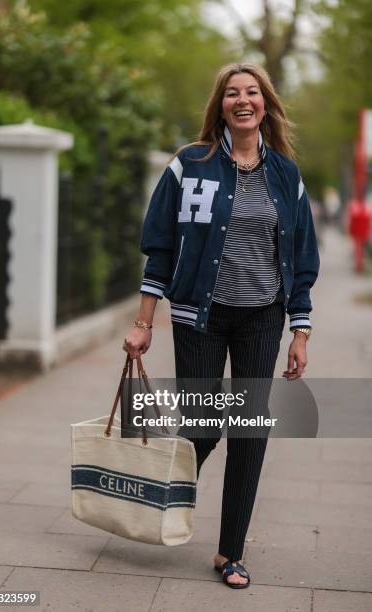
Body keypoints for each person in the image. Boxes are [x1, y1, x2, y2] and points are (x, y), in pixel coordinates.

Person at [123, 62, 320, 589]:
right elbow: (160, 246)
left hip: (263, 318)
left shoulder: (285, 174)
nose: (242, 100)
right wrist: (144, 321)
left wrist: (299, 330)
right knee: (204, 424)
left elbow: (302, 256)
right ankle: (160, 497)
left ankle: (230, 551)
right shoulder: (189, 165)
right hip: (199, 317)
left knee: (250, 434)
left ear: (265, 104)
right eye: (232, 93)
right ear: (221, 105)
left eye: (252, 92)